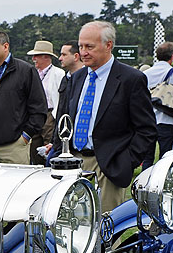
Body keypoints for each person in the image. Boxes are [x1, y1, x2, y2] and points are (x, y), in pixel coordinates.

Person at [53, 21, 156, 213]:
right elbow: (65, 118)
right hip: (74, 164)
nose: (83, 52)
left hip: (108, 167)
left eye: (89, 47)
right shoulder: (76, 78)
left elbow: (146, 129)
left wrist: (125, 162)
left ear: (108, 45)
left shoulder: (131, 79)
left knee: (106, 225)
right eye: (81, 46)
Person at [0, 30, 47, 165]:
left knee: (17, 180)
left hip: (14, 147)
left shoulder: (26, 71)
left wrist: (25, 136)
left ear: (5, 46)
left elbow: (39, 108)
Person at [142, 41, 173, 169]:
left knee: (147, 158)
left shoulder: (146, 73)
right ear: (172, 56)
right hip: (167, 120)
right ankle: (160, 181)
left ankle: (145, 179)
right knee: (165, 159)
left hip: (148, 120)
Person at [27, 40, 64, 165]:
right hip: (35, 114)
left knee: (50, 146)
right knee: (34, 148)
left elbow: (61, 97)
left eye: (36, 56)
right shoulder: (32, 73)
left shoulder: (59, 74)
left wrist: (55, 117)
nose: (33, 59)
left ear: (46, 57)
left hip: (51, 115)